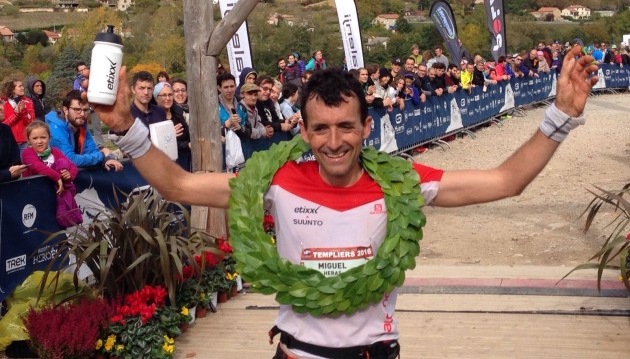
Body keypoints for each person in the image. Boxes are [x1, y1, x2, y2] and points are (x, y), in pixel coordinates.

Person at [95, 45, 597, 358]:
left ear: (366, 127)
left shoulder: (401, 182)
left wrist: (559, 117)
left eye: (345, 127)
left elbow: (507, 180)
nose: (334, 141)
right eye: (320, 128)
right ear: (305, 132)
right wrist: (125, 128)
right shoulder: (276, 180)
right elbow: (179, 186)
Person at [21, 121, 82, 227]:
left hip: (56, 197)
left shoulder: (55, 151)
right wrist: (57, 177)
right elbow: (37, 166)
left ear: (49, 137)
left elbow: (72, 166)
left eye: (43, 137)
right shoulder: (27, 153)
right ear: (28, 140)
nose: (39, 141)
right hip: (37, 198)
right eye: (34, 138)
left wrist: (69, 175)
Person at [46, 90, 123, 171]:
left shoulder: (82, 125)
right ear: (65, 110)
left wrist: (108, 159)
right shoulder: (55, 129)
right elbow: (70, 160)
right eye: (77, 109)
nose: (82, 114)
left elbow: (92, 151)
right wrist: (102, 155)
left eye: (85, 110)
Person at [154, 82, 191, 170]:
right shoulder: (153, 118)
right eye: (164, 95)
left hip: (185, 160)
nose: (167, 98)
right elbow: (156, 145)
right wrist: (186, 145)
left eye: (170, 94)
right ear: (156, 98)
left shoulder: (178, 112)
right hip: (167, 165)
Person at [2, 79, 35, 149]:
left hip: (25, 141)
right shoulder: (3, 103)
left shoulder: (28, 102)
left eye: (22, 86)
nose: (23, 88)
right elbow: (3, 125)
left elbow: (31, 122)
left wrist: (23, 112)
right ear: (12, 89)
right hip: (9, 141)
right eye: (20, 86)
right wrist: (16, 114)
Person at [0, 104, 28, 183]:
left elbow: (15, 163)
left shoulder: (5, 129)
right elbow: (10, 172)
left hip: (9, 187)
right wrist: (7, 174)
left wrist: (14, 171)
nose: (1, 108)